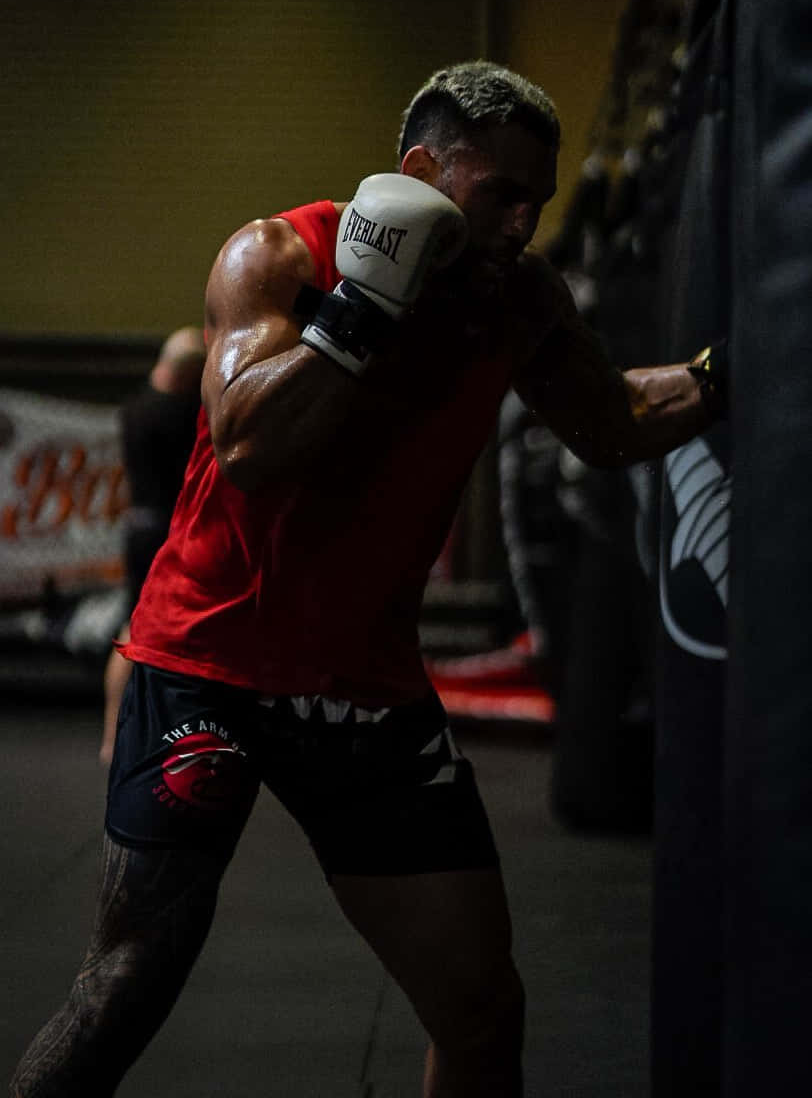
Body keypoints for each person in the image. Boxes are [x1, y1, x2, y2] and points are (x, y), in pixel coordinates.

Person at [11, 61, 726, 1098]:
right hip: (209, 661)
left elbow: (607, 420)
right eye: (501, 198)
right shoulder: (276, 255)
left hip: (363, 689)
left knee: (479, 1007)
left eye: (539, 201)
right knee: (127, 981)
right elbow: (251, 446)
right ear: (421, 173)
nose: (522, 226)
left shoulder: (515, 297)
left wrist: (731, 371)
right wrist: (365, 303)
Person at [99, 326, 206, 765]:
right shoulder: (177, 414)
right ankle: (134, 736)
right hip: (165, 530)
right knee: (143, 631)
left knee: (133, 626)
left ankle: (113, 735)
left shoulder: (136, 405)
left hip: (140, 526)